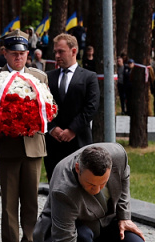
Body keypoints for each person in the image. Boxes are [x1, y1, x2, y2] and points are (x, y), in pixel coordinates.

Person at [34, 143, 153, 242]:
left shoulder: (119, 156)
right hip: (77, 226)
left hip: (106, 220)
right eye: (90, 184)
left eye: (102, 184)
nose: (96, 190)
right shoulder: (63, 189)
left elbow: (123, 178)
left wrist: (124, 217)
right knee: (83, 237)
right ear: (78, 168)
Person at [0, 30, 46, 242]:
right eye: (14, 53)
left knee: (31, 199)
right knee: (9, 200)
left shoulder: (39, 77)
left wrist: (32, 121)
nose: (18, 57)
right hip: (6, 146)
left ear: (28, 54)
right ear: (5, 53)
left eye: (22, 53)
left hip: (33, 145)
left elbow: (48, 108)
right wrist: (2, 122)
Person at [44, 33, 99, 181]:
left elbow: (91, 107)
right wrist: (52, 128)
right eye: (55, 52)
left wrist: (72, 129)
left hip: (79, 141)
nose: (57, 56)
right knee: (55, 183)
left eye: (61, 51)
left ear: (73, 51)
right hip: (53, 143)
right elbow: (42, 105)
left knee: (79, 183)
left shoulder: (89, 77)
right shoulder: (48, 77)